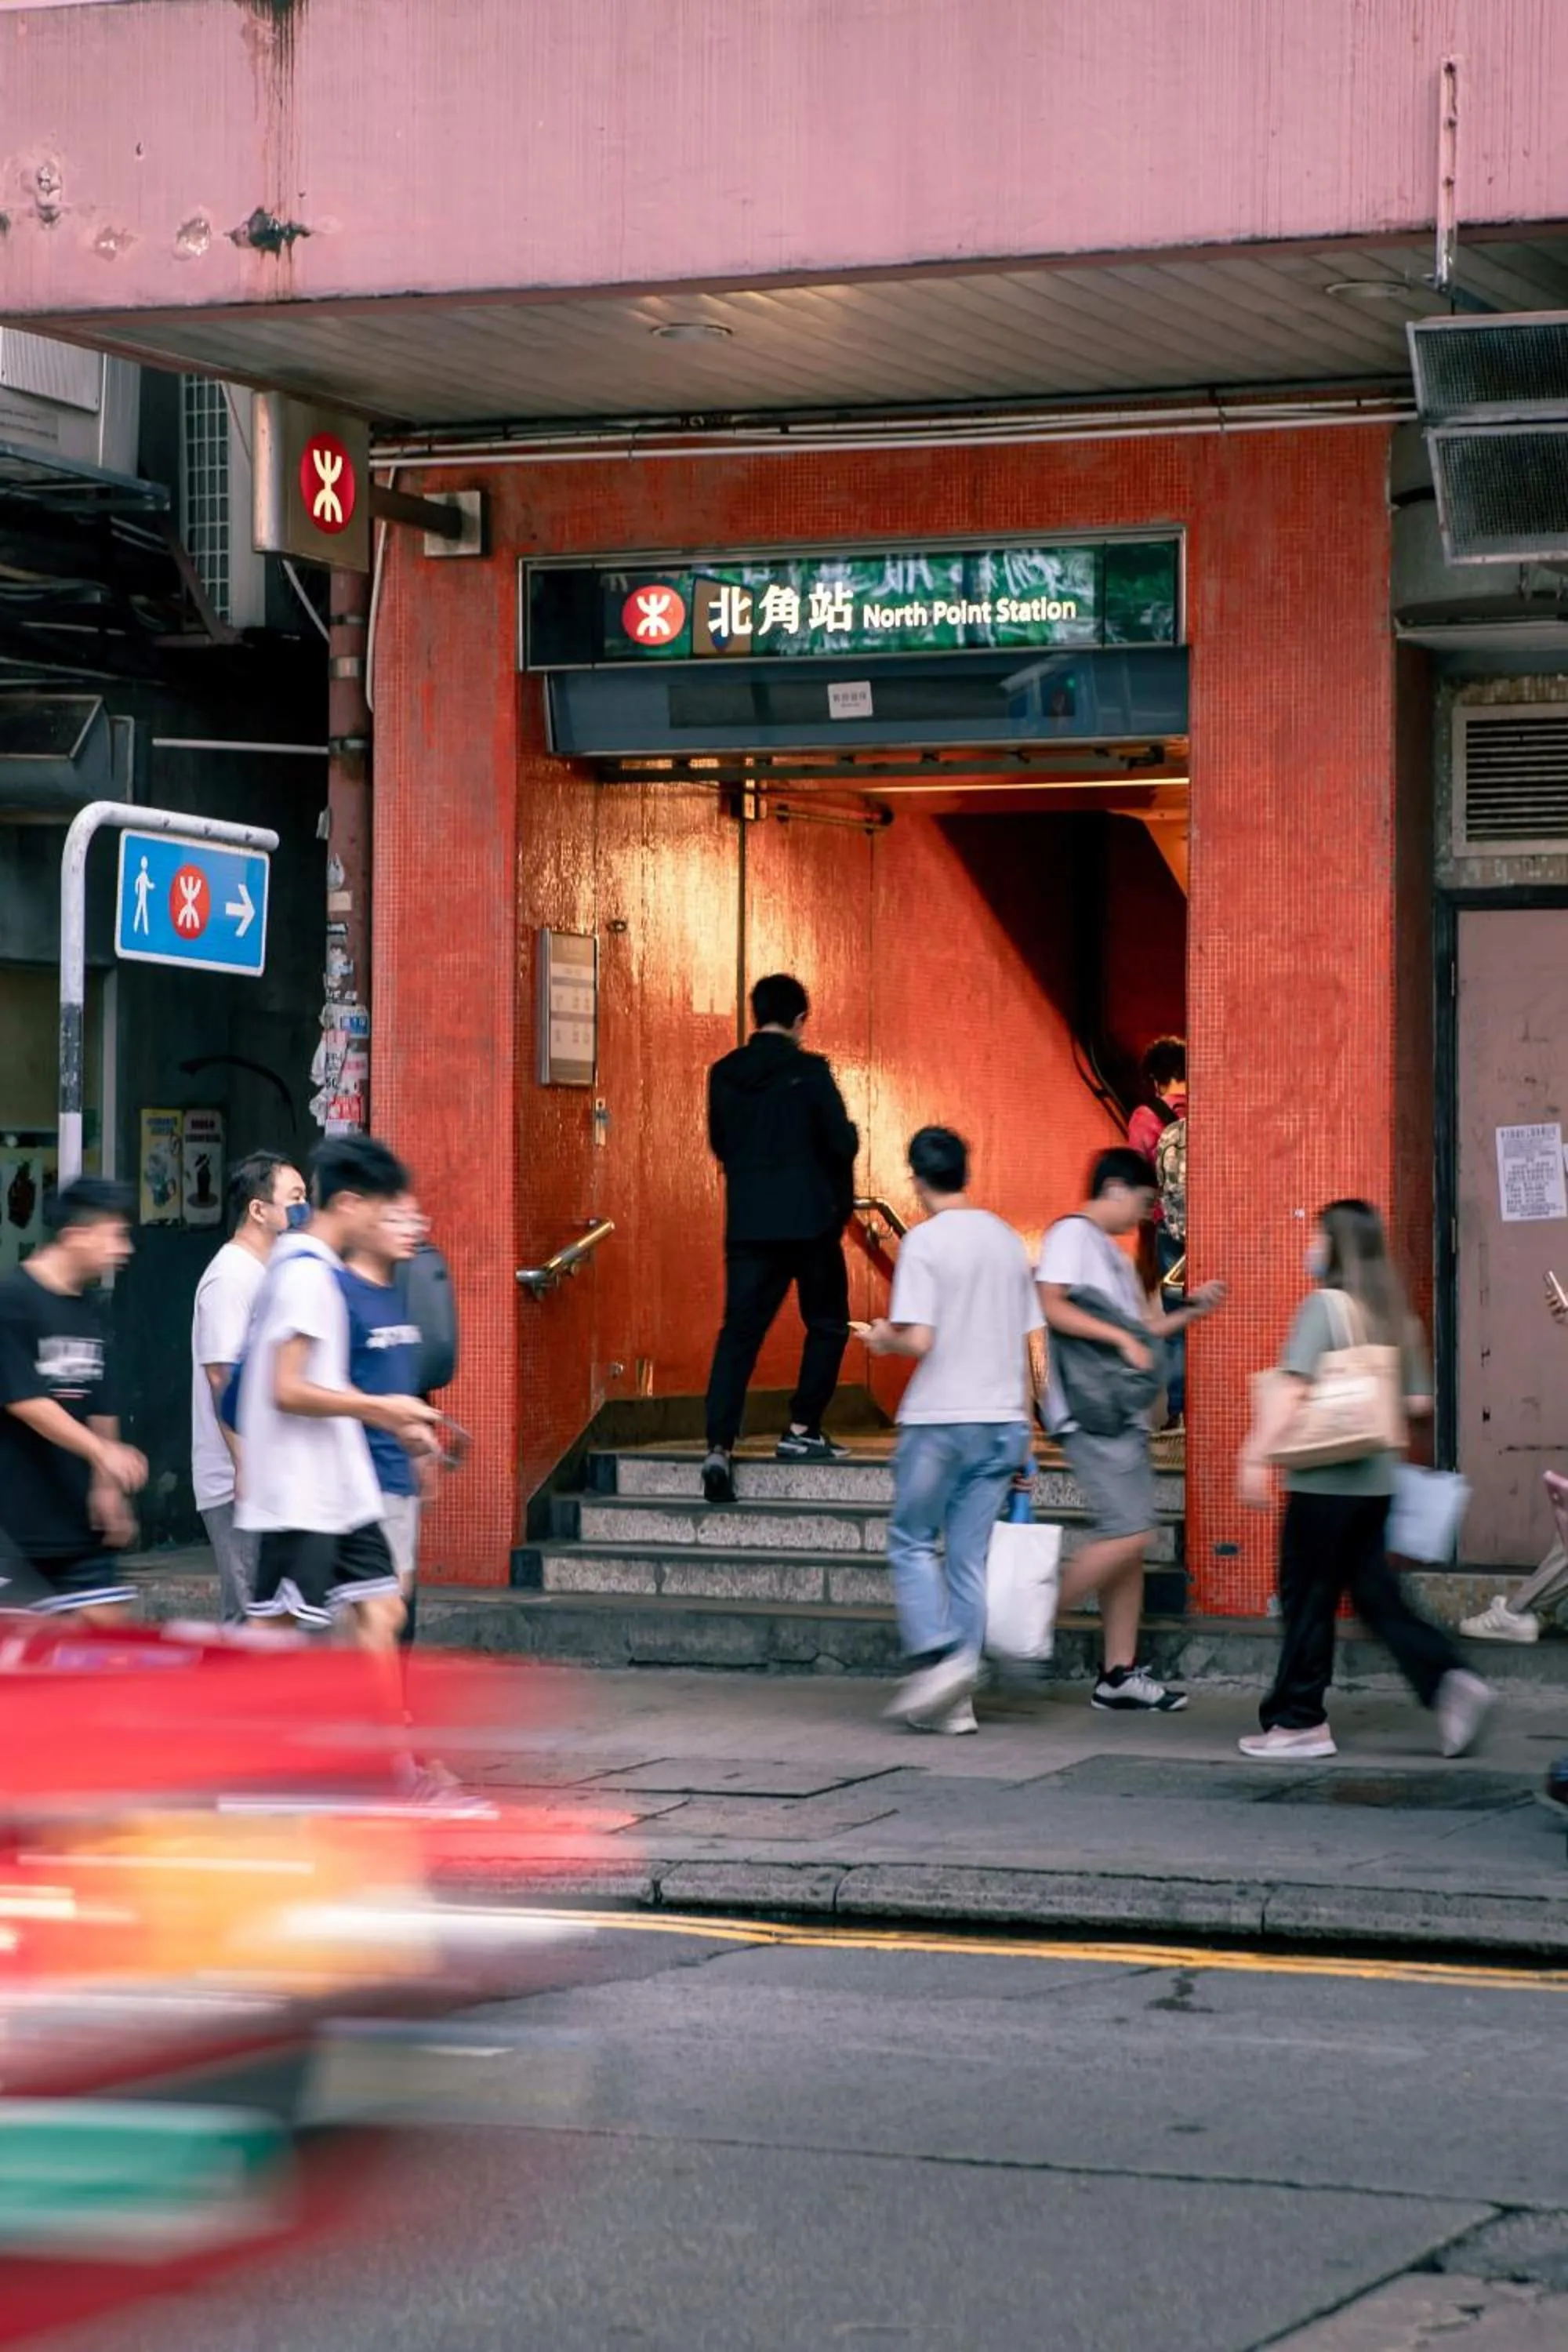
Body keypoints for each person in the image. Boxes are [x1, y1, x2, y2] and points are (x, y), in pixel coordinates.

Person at [1236, 1199, 1494, 1761]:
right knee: (1377, 1598)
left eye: (1318, 1237)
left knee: (1308, 1600)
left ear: (1336, 1247)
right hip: (1377, 1484)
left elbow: (1293, 1390)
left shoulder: (1323, 1307)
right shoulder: (1395, 1314)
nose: (1311, 1247)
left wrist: (1255, 1454)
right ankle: (1449, 1679)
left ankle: (1300, 1720)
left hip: (1323, 1484)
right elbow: (1420, 1401)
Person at [863, 1127, 1043, 1733]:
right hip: (1001, 1422)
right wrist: (1026, 1430)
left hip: (940, 1419)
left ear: (915, 1177)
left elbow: (919, 1339)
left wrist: (880, 1338)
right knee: (967, 1561)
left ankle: (940, 1660)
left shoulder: (925, 1243)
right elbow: (1024, 1343)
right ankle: (957, 1703)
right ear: (966, 1170)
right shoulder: (1005, 1240)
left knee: (912, 1542)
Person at [1036, 1147, 1225, 1712]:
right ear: (1115, 1188)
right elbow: (1052, 1305)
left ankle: (1118, 1674)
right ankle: (1026, 1626)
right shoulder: (1072, 1234)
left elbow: (1144, 1330)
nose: (1144, 1217)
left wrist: (1191, 1311)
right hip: (1091, 1415)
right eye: (1143, 1203)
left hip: (1119, 1415)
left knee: (1131, 1541)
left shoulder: (1113, 1257)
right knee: (1131, 1533)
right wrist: (1119, 1340)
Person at [236, 1136, 440, 1649]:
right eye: (380, 1208)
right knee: (274, 1629)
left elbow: (324, 1378)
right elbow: (286, 1389)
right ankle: (231, 1718)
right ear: (350, 1204)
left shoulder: (319, 1272)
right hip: (302, 1491)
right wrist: (381, 1408)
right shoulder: (305, 1276)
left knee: (385, 1610)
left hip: (341, 1486)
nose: (387, 1221)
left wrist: (395, 1420)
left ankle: (384, 1727)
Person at [702, 973, 859, 1505]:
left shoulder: (723, 1074)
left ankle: (719, 1447)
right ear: (800, 1020)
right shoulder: (810, 1072)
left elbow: (721, 1143)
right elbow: (841, 1142)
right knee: (827, 1323)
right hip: (811, 1222)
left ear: (756, 1015)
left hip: (748, 1225)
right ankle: (801, 1430)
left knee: (738, 1336)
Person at [0, 1177, 147, 1622]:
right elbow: (25, 1400)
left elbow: (102, 1401)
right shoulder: (13, 1301)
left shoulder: (90, 1310)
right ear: (76, 1235)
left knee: (109, 1646)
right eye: (116, 1234)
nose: (125, 1249)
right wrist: (102, 1451)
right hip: (15, 1529)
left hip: (78, 1526)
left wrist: (108, 1487)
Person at [191, 1149, 308, 1622]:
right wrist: (246, 1466)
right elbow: (222, 1377)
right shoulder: (230, 1278)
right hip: (238, 1479)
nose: (306, 1209)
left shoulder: (275, 1271)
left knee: (268, 1615)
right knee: (250, 1616)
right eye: (296, 1198)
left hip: (275, 1472)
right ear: (259, 1210)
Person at [339, 1189, 436, 1637]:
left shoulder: (397, 1294)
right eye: (398, 1220)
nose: (412, 1230)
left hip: (398, 1476)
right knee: (375, 1615)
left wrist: (418, 1449)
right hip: (357, 1481)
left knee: (397, 1613)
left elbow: (400, 1380)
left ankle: (390, 1704)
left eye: (416, 1221)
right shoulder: (338, 1294)